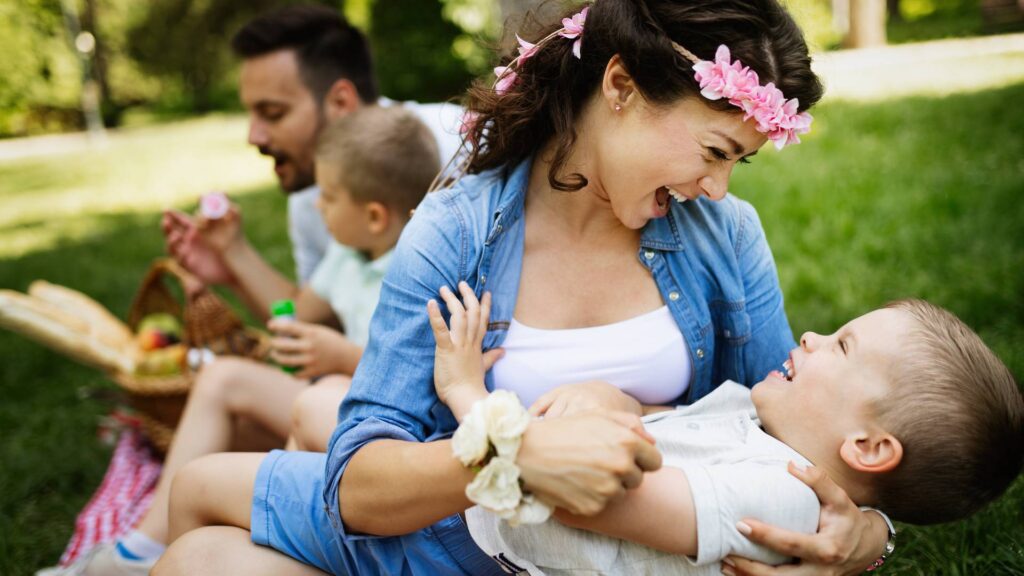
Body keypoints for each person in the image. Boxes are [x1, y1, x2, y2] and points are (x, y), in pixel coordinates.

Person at [152, 1, 896, 574]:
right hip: (466, 548)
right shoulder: (458, 231)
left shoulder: (724, 234)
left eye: (738, 161)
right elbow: (359, 477)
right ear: (620, 86)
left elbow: (795, 433)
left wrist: (870, 532)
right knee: (198, 553)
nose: (717, 185)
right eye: (712, 150)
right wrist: (511, 456)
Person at [40, 106, 440, 576]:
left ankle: (266, 536)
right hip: (330, 406)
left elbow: (429, 384)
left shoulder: (422, 267)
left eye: (329, 197)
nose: (317, 206)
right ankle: (143, 547)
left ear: (374, 216)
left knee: (302, 399)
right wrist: (230, 256)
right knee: (224, 376)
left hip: (383, 438)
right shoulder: (348, 256)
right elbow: (295, 306)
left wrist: (343, 356)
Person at [425, 288, 1024, 575]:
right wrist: (609, 401)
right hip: (475, 524)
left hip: (475, 551)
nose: (812, 337)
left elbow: (587, 497)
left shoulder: (785, 502)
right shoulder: (756, 419)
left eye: (842, 345)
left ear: (867, 448)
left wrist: (466, 392)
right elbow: (657, 426)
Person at [162, 4, 462, 313]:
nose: (254, 136)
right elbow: (314, 319)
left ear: (340, 102)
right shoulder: (313, 198)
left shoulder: (460, 145)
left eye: (272, 114)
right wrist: (232, 257)